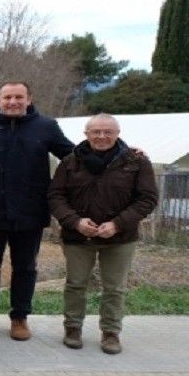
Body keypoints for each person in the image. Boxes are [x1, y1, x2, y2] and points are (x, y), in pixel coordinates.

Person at [0, 82, 74, 340]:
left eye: (19, 97)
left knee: (25, 267)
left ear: (29, 99)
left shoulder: (46, 127)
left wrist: (125, 152)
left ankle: (19, 318)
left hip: (30, 211)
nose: (13, 101)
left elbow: (74, 155)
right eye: (8, 97)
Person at [48, 114, 157, 355]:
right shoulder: (70, 162)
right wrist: (74, 222)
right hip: (79, 236)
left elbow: (147, 199)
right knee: (75, 284)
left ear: (118, 133)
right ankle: (73, 328)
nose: (102, 136)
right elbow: (55, 196)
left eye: (108, 131)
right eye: (96, 132)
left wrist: (117, 224)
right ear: (86, 134)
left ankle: (110, 333)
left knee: (115, 288)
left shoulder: (136, 162)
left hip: (119, 238)